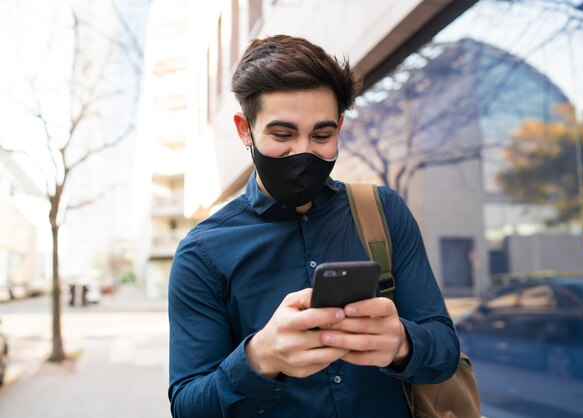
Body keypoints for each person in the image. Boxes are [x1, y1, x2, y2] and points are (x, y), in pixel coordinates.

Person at [168, 35, 459, 418]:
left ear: (339, 127)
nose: (303, 151)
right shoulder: (202, 252)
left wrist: (404, 344)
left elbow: (445, 352)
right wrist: (258, 358)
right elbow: (188, 406)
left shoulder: (384, 212)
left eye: (322, 135)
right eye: (282, 134)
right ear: (245, 130)